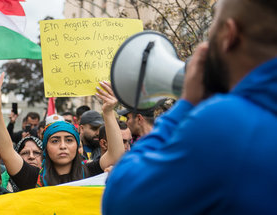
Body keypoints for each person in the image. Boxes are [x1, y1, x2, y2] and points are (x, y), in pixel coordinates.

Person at [103, 0, 277, 214]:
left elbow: (121, 200)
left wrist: (185, 105)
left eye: (213, 25)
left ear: (229, 35)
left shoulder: (227, 122)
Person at [0, 72, 124, 190]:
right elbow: (7, 151)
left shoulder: (90, 171)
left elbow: (116, 154)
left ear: (77, 146)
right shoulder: (32, 177)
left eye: (69, 140)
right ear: (45, 147)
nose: (62, 146)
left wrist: (108, 112)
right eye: (55, 141)